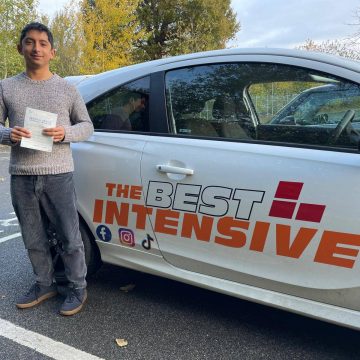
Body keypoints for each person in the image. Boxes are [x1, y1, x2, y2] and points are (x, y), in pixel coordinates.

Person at [0, 22, 94, 316]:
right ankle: (44, 283)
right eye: (30, 42)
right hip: (21, 176)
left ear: (52, 52)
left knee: (69, 235)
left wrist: (64, 133)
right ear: (20, 48)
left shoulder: (67, 89)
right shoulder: (6, 87)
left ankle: (78, 287)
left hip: (58, 174)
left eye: (42, 43)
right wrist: (7, 135)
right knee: (33, 236)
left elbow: (87, 126)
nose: (36, 48)